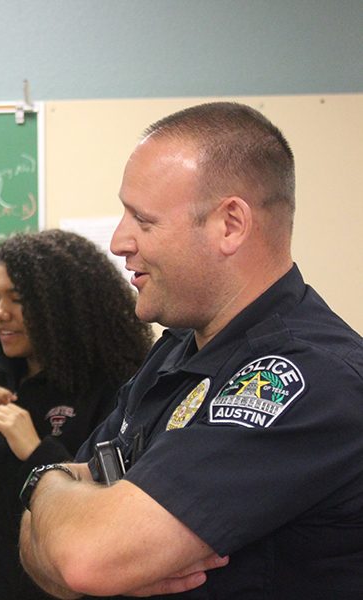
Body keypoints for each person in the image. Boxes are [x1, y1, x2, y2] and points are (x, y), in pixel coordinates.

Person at [19, 102, 363, 599]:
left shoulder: (303, 379)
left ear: (230, 224)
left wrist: (44, 485)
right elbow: (42, 549)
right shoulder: (178, 349)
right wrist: (58, 494)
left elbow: (81, 559)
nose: (118, 240)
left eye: (144, 219)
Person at [0, 229, 153, 600]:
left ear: (59, 306)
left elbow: (112, 520)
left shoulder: (117, 390)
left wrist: (37, 452)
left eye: (16, 299)